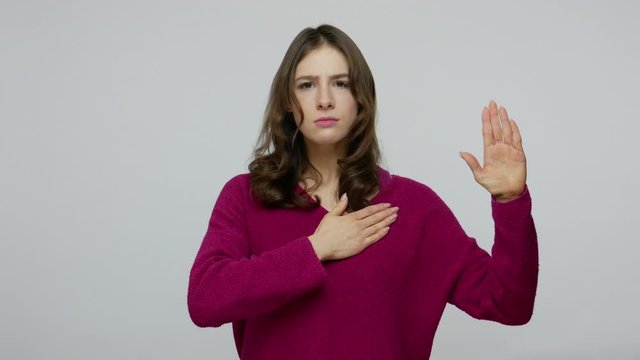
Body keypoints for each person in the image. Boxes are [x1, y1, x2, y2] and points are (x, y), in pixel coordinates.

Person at [187, 24, 538, 360]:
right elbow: (204, 299)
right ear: (288, 103)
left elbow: (509, 304)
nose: (324, 100)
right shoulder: (246, 196)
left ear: (360, 99)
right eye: (307, 85)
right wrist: (316, 249)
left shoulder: (415, 208)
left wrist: (510, 203)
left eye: (340, 83)